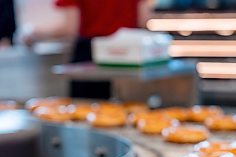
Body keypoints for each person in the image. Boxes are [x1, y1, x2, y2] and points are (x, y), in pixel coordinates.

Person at [22, 0, 154, 99]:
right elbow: (144, 20)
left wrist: (34, 33)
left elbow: (69, 28)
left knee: (87, 114)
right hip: (128, 53)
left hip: (90, 56)